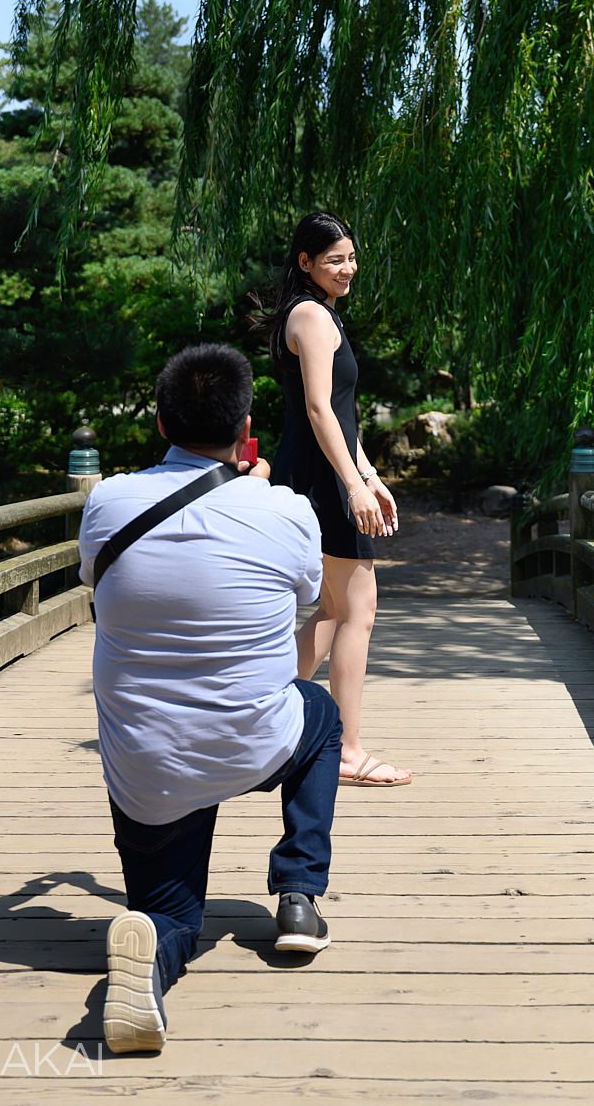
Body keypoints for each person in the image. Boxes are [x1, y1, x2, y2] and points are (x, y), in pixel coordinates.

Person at [77, 343, 342, 1054]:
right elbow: (308, 599)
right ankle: (297, 895)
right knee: (321, 715)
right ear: (245, 426)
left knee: (169, 912)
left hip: (146, 763)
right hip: (255, 743)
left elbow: (94, 589)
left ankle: (153, 947)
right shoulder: (286, 510)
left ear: (161, 422)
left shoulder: (106, 500)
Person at [267, 211, 412, 787]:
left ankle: (263, 714)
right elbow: (319, 410)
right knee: (358, 612)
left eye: (352, 257)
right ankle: (348, 750)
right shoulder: (313, 316)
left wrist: (370, 472)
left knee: (333, 611)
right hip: (323, 477)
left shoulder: (309, 314)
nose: (348, 268)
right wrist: (351, 485)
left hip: (322, 469)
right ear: (306, 262)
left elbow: (343, 417)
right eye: (335, 260)